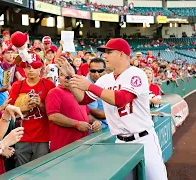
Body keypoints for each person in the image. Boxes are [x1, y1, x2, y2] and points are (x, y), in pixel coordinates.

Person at [58, 38, 167, 180]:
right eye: (105, 52)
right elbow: (83, 99)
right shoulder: (105, 80)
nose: (105, 55)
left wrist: (90, 86)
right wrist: (70, 77)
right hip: (120, 141)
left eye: (109, 52)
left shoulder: (136, 73)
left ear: (122, 54)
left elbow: (121, 99)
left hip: (143, 139)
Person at [8, 52, 55, 167]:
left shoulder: (49, 85)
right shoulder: (17, 86)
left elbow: (53, 113)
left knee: (41, 171)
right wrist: (24, 107)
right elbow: (10, 111)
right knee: (20, 171)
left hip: (42, 137)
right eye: (28, 67)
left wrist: (40, 104)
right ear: (23, 69)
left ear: (41, 67)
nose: (31, 70)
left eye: (34, 66)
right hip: (22, 136)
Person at [45, 63, 92, 152]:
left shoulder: (80, 93)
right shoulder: (54, 92)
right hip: (63, 146)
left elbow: (87, 115)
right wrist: (76, 124)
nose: (66, 77)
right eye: (62, 75)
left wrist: (96, 122)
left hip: (82, 144)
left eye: (68, 74)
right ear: (58, 78)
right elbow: (53, 116)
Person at [86, 58, 108, 129]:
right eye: (93, 71)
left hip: (111, 124)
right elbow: (95, 112)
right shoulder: (86, 85)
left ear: (105, 70)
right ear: (88, 70)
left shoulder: (109, 79)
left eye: (100, 71)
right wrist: (118, 115)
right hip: (99, 128)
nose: (96, 74)